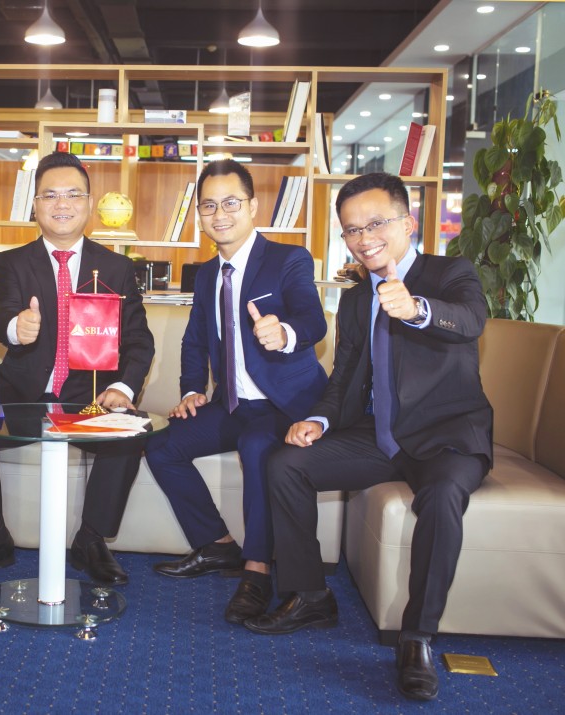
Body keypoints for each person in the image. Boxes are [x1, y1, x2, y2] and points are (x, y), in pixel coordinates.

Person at [245, 172, 493, 702]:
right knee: (284, 462)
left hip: (446, 437)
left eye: (376, 223)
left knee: (443, 495)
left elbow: (472, 319)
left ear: (408, 223)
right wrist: (320, 420)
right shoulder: (358, 299)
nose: (364, 238)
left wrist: (418, 309)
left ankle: (417, 637)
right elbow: (344, 375)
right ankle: (309, 595)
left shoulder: (450, 273)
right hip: (378, 437)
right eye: (352, 229)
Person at [0, 151, 155, 586]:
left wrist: (122, 387)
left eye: (73, 194)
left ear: (89, 203)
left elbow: (139, 340)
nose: (62, 204)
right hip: (20, 392)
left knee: (129, 431)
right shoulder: (13, 261)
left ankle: (92, 539)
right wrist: (16, 328)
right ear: (36, 205)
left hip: (89, 396)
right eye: (50, 195)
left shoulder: (116, 268)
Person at [145, 159, 327, 624]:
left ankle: (257, 570)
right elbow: (195, 339)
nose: (219, 214)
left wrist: (284, 332)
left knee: (257, 446)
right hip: (232, 403)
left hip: (283, 404)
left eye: (230, 203)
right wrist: (192, 389)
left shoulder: (289, 259)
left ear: (252, 206)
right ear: (199, 215)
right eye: (209, 206)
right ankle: (217, 545)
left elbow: (313, 318)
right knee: (161, 445)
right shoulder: (207, 273)